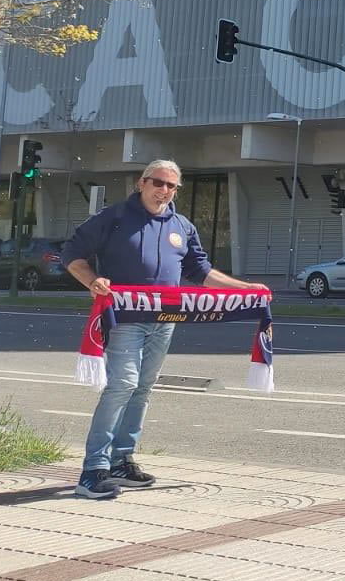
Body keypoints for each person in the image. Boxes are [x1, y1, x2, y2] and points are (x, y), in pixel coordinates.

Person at [62, 159, 266, 500]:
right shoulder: (113, 218)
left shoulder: (182, 226)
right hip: (124, 316)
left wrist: (245, 289)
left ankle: (121, 461)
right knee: (121, 385)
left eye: (172, 186)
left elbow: (200, 271)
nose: (165, 191)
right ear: (141, 183)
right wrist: (92, 280)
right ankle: (92, 470)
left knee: (143, 387)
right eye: (158, 183)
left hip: (165, 320)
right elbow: (72, 253)